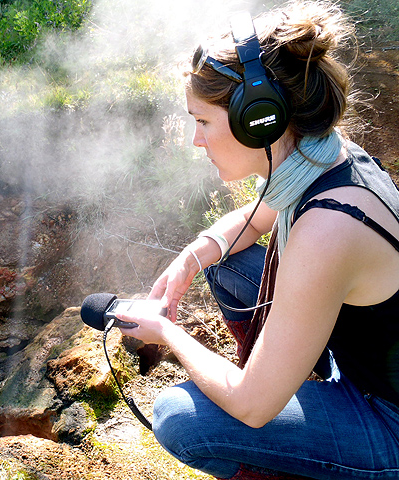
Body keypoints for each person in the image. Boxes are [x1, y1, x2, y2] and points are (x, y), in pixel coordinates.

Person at [115, 1, 399, 479]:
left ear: (259, 118)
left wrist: (166, 332)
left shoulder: (327, 229)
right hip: (361, 354)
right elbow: (253, 218)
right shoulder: (322, 156)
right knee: (221, 259)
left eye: (202, 121)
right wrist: (187, 261)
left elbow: (252, 406)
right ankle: (288, 379)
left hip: (388, 417)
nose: (195, 140)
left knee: (181, 421)